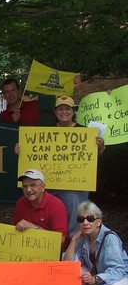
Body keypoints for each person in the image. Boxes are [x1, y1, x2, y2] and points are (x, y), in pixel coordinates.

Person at [47, 96, 105, 238]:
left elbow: (92, 159)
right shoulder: (46, 132)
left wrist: (100, 148)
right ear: (55, 112)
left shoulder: (85, 132)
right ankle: (54, 242)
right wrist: (21, 150)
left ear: (73, 111)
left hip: (76, 184)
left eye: (67, 109)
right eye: (60, 109)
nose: (64, 112)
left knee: (75, 211)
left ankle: (74, 243)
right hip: (53, 183)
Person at [64, 201, 128, 285]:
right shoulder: (83, 239)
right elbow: (68, 263)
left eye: (90, 218)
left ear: (98, 222)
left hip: (122, 276)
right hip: (102, 273)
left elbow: (118, 270)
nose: (85, 222)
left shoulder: (110, 239)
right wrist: (74, 239)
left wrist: (96, 279)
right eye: (81, 219)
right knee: (73, 271)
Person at [15, 169, 69, 250]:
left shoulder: (56, 205)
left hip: (53, 250)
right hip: (27, 248)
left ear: (43, 187)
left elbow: (60, 240)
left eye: (33, 185)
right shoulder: (21, 202)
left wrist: (34, 228)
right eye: (25, 186)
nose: (28, 190)